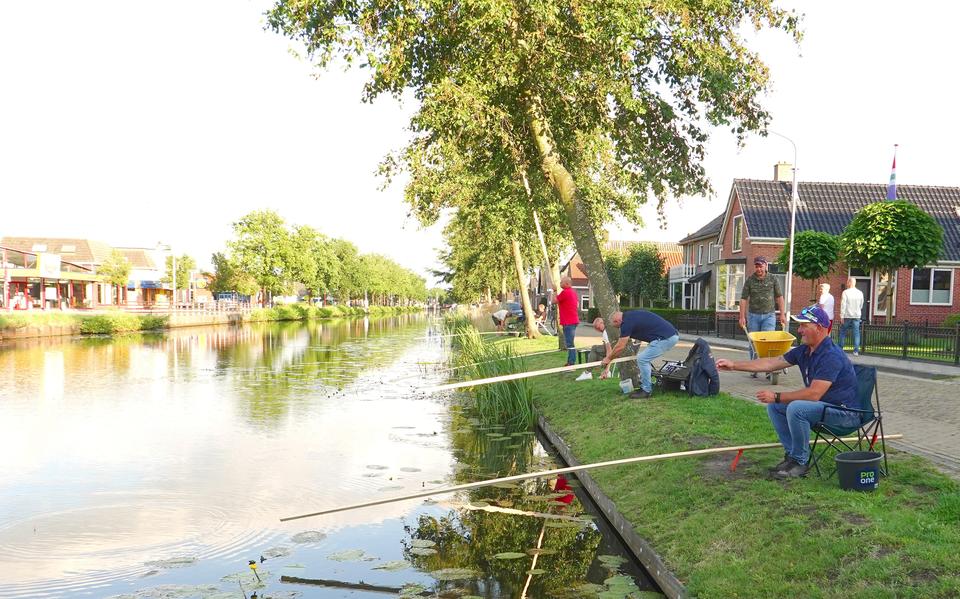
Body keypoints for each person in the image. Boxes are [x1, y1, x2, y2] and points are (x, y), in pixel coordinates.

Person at [715, 305, 860, 478]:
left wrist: (777, 396)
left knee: (796, 408)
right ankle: (792, 456)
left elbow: (814, 394)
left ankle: (800, 462)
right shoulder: (804, 351)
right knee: (775, 407)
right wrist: (734, 366)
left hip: (845, 415)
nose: (799, 330)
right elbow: (770, 363)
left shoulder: (831, 356)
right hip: (825, 408)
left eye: (804, 326)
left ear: (819, 328)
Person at [601, 310, 679, 399]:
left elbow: (620, 346)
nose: (619, 328)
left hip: (666, 338)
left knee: (642, 359)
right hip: (668, 336)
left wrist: (608, 358)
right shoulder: (630, 316)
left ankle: (646, 390)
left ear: (617, 321)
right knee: (644, 359)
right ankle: (645, 385)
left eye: (617, 327)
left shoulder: (626, 323)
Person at [739, 256, 786, 373]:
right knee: (754, 343)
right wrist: (742, 317)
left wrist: (782, 314)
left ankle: (767, 368)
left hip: (769, 315)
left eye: (761, 266)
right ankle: (754, 367)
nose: (759, 269)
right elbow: (743, 299)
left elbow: (779, 297)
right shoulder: (750, 280)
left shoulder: (773, 279)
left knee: (768, 342)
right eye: (757, 266)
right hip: (753, 316)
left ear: (766, 266)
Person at [556, 276, 579, 365]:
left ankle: (571, 362)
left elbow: (554, 300)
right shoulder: (573, 292)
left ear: (567, 284)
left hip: (568, 321)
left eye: (561, 282)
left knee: (570, 343)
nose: (560, 284)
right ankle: (570, 361)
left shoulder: (565, 292)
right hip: (572, 320)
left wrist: (554, 291)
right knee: (570, 342)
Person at [839, 277, 865, 355]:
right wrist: (857, 310)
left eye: (847, 282)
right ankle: (856, 351)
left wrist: (841, 316)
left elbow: (843, 304)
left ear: (850, 283)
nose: (847, 284)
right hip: (857, 315)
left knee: (843, 332)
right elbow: (861, 304)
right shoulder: (860, 292)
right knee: (856, 333)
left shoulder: (845, 292)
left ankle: (840, 349)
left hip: (847, 315)